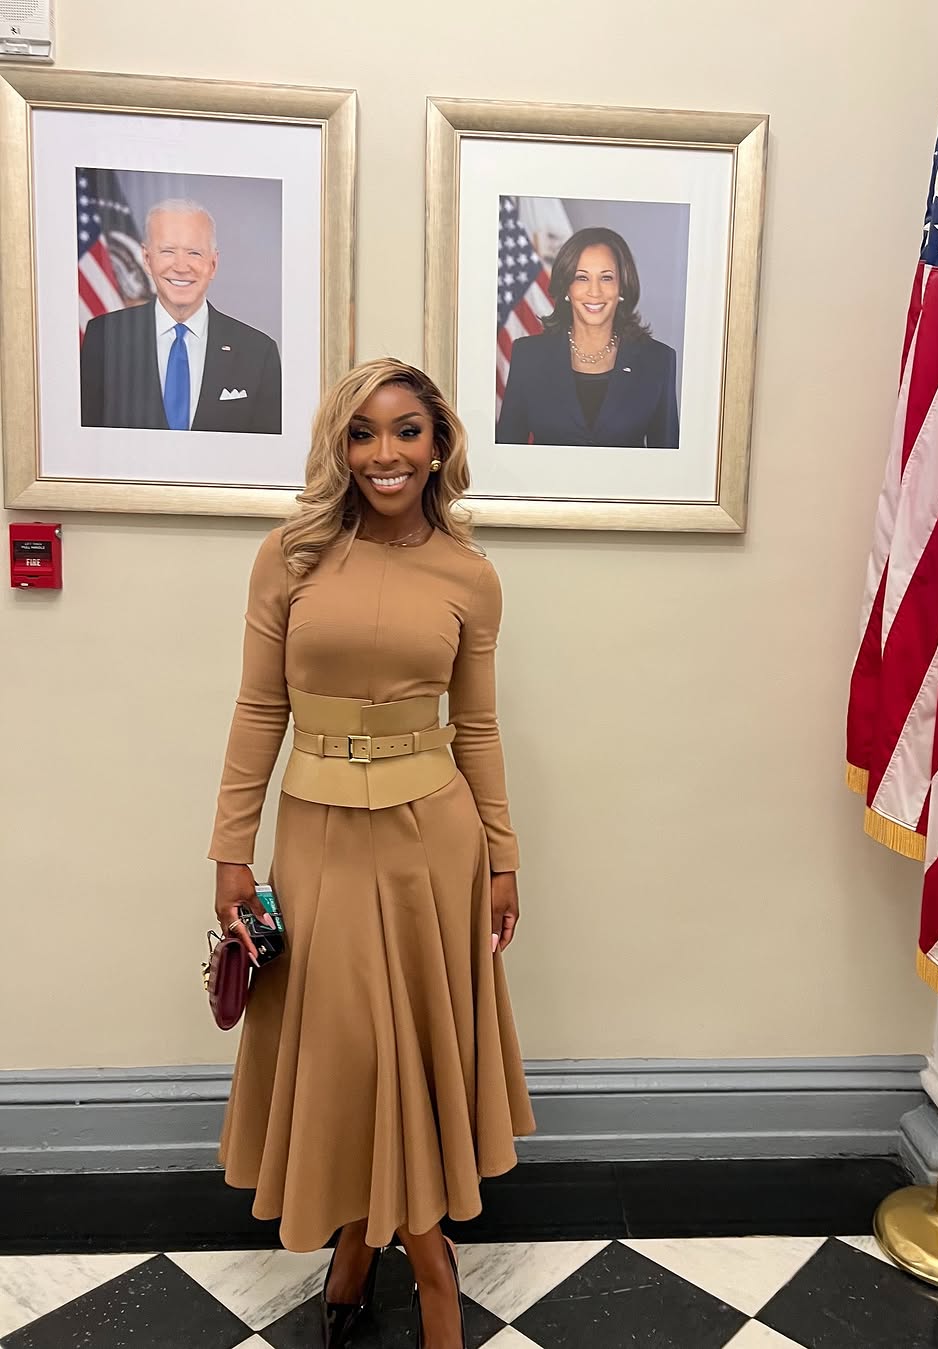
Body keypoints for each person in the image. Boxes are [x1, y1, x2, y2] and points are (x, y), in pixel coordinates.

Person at [208, 357, 534, 1349]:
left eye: (404, 431)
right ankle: (404, 1260)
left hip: (434, 842)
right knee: (349, 1050)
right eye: (361, 433)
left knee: (411, 1052)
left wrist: (504, 854)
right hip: (315, 837)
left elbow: (474, 728)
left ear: (438, 445)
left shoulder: (471, 575)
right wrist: (231, 846)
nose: (383, 453)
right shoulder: (289, 556)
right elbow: (261, 704)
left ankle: (399, 1267)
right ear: (337, 447)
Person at [80, 198, 281, 434]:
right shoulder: (104, 338)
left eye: (194, 253)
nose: (181, 266)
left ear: (213, 264)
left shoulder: (258, 351)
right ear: (147, 259)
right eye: (167, 251)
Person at [496, 226, 680, 448]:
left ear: (621, 286)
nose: (595, 291)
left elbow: (667, 466)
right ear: (566, 288)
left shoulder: (658, 360)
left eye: (606, 278)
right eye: (582, 278)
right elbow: (507, 452)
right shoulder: (528, 356)